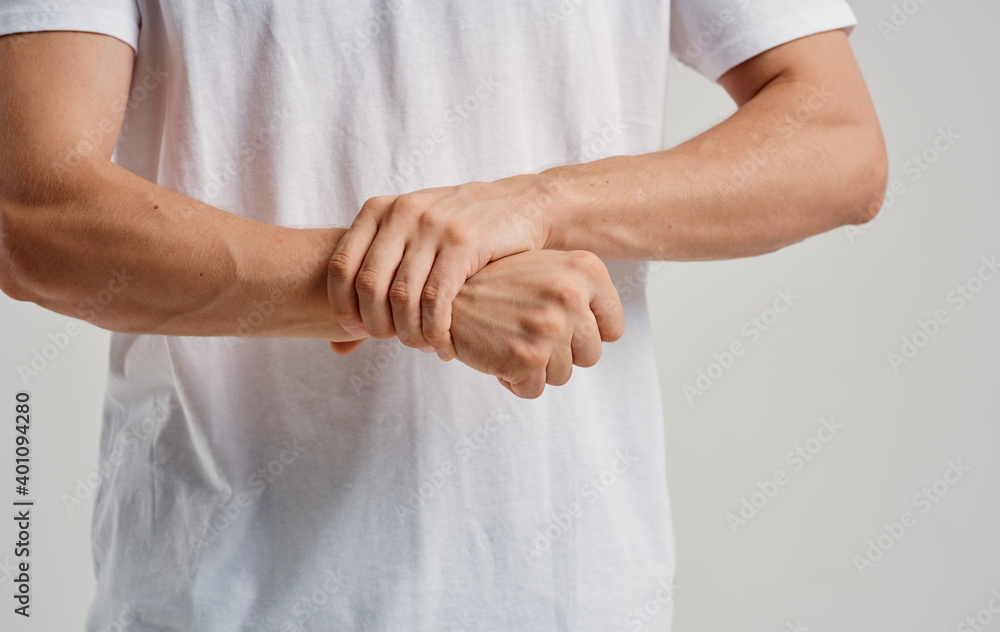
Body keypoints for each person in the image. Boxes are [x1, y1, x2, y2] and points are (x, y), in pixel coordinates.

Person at [0, 1, 886, 630]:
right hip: (217, 600)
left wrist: (536, 203)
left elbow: (836, 143)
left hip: (573, 596)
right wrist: (428, 295)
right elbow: (31, 213)